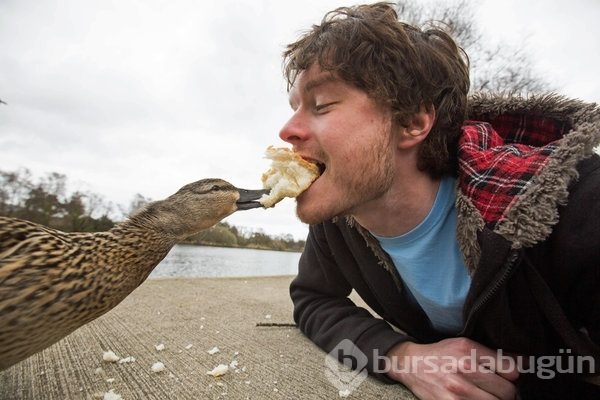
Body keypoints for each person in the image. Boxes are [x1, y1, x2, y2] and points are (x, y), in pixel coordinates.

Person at [277, 2, 600, 399]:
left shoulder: (574, 203)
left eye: (321, 105)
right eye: (294, 108)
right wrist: (401, 355)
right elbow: (313, 299)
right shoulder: (341, 217)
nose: (287, 131)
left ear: (413, 122)